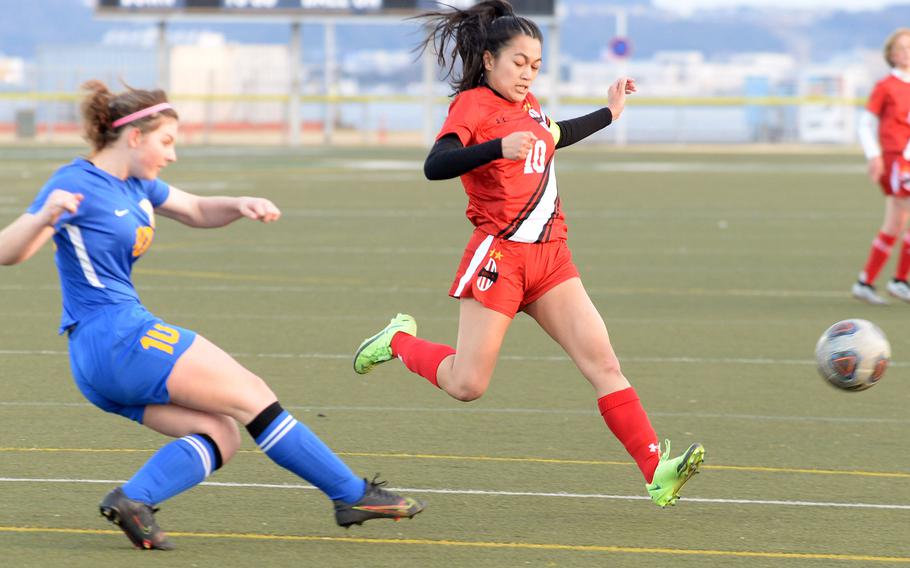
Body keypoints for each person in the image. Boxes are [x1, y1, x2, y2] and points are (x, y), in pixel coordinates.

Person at [0, 80, 424, 550]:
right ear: (134, 137)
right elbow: (8, 251)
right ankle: (351, 495)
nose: (173, 154)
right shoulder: (75, 183)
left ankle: (134, 501)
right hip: (118, 336)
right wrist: (41, 217)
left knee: (220, 434)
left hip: (99, 354)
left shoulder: (137, 183)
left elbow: (197, 209)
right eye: (167, 141)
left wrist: (239, 205)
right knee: (253, 396)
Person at [353, 0, 704, 508]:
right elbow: (436, 164)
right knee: (468, 385)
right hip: (501, 259)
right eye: (519, 62)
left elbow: (554, 135)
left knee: (603, 362)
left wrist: (611, 113)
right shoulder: (472, 106)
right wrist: (497, 149)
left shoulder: (531, 106)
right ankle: (399, 342)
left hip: (552, 260)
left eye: (535, 65)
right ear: (491, 59)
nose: (527, 73)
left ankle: (657, 470)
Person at [852, 28, 910, 304]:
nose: (907, 52)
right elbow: (865, 122)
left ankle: (866, 282)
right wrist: (873, 155)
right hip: (897, 160)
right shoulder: (886, 86)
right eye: (902, 48)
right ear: (891, 54)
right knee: (898, 219)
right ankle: (899, 281)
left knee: (895, 223)